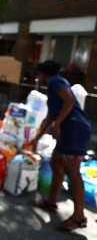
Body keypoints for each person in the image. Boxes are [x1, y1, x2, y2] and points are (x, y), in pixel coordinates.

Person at [30, 60, 91, 232]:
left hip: (75, 128)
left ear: (43, 74)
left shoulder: (55, 81)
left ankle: (79, 217)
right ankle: (51, 202)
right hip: (68, 128)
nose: (38, 77)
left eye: (39, 74)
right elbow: (51, 115)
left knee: (72, 171)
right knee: (56, 163)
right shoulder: (55, 84)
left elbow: (70, 101)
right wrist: (37, 137)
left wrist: (58, 124)